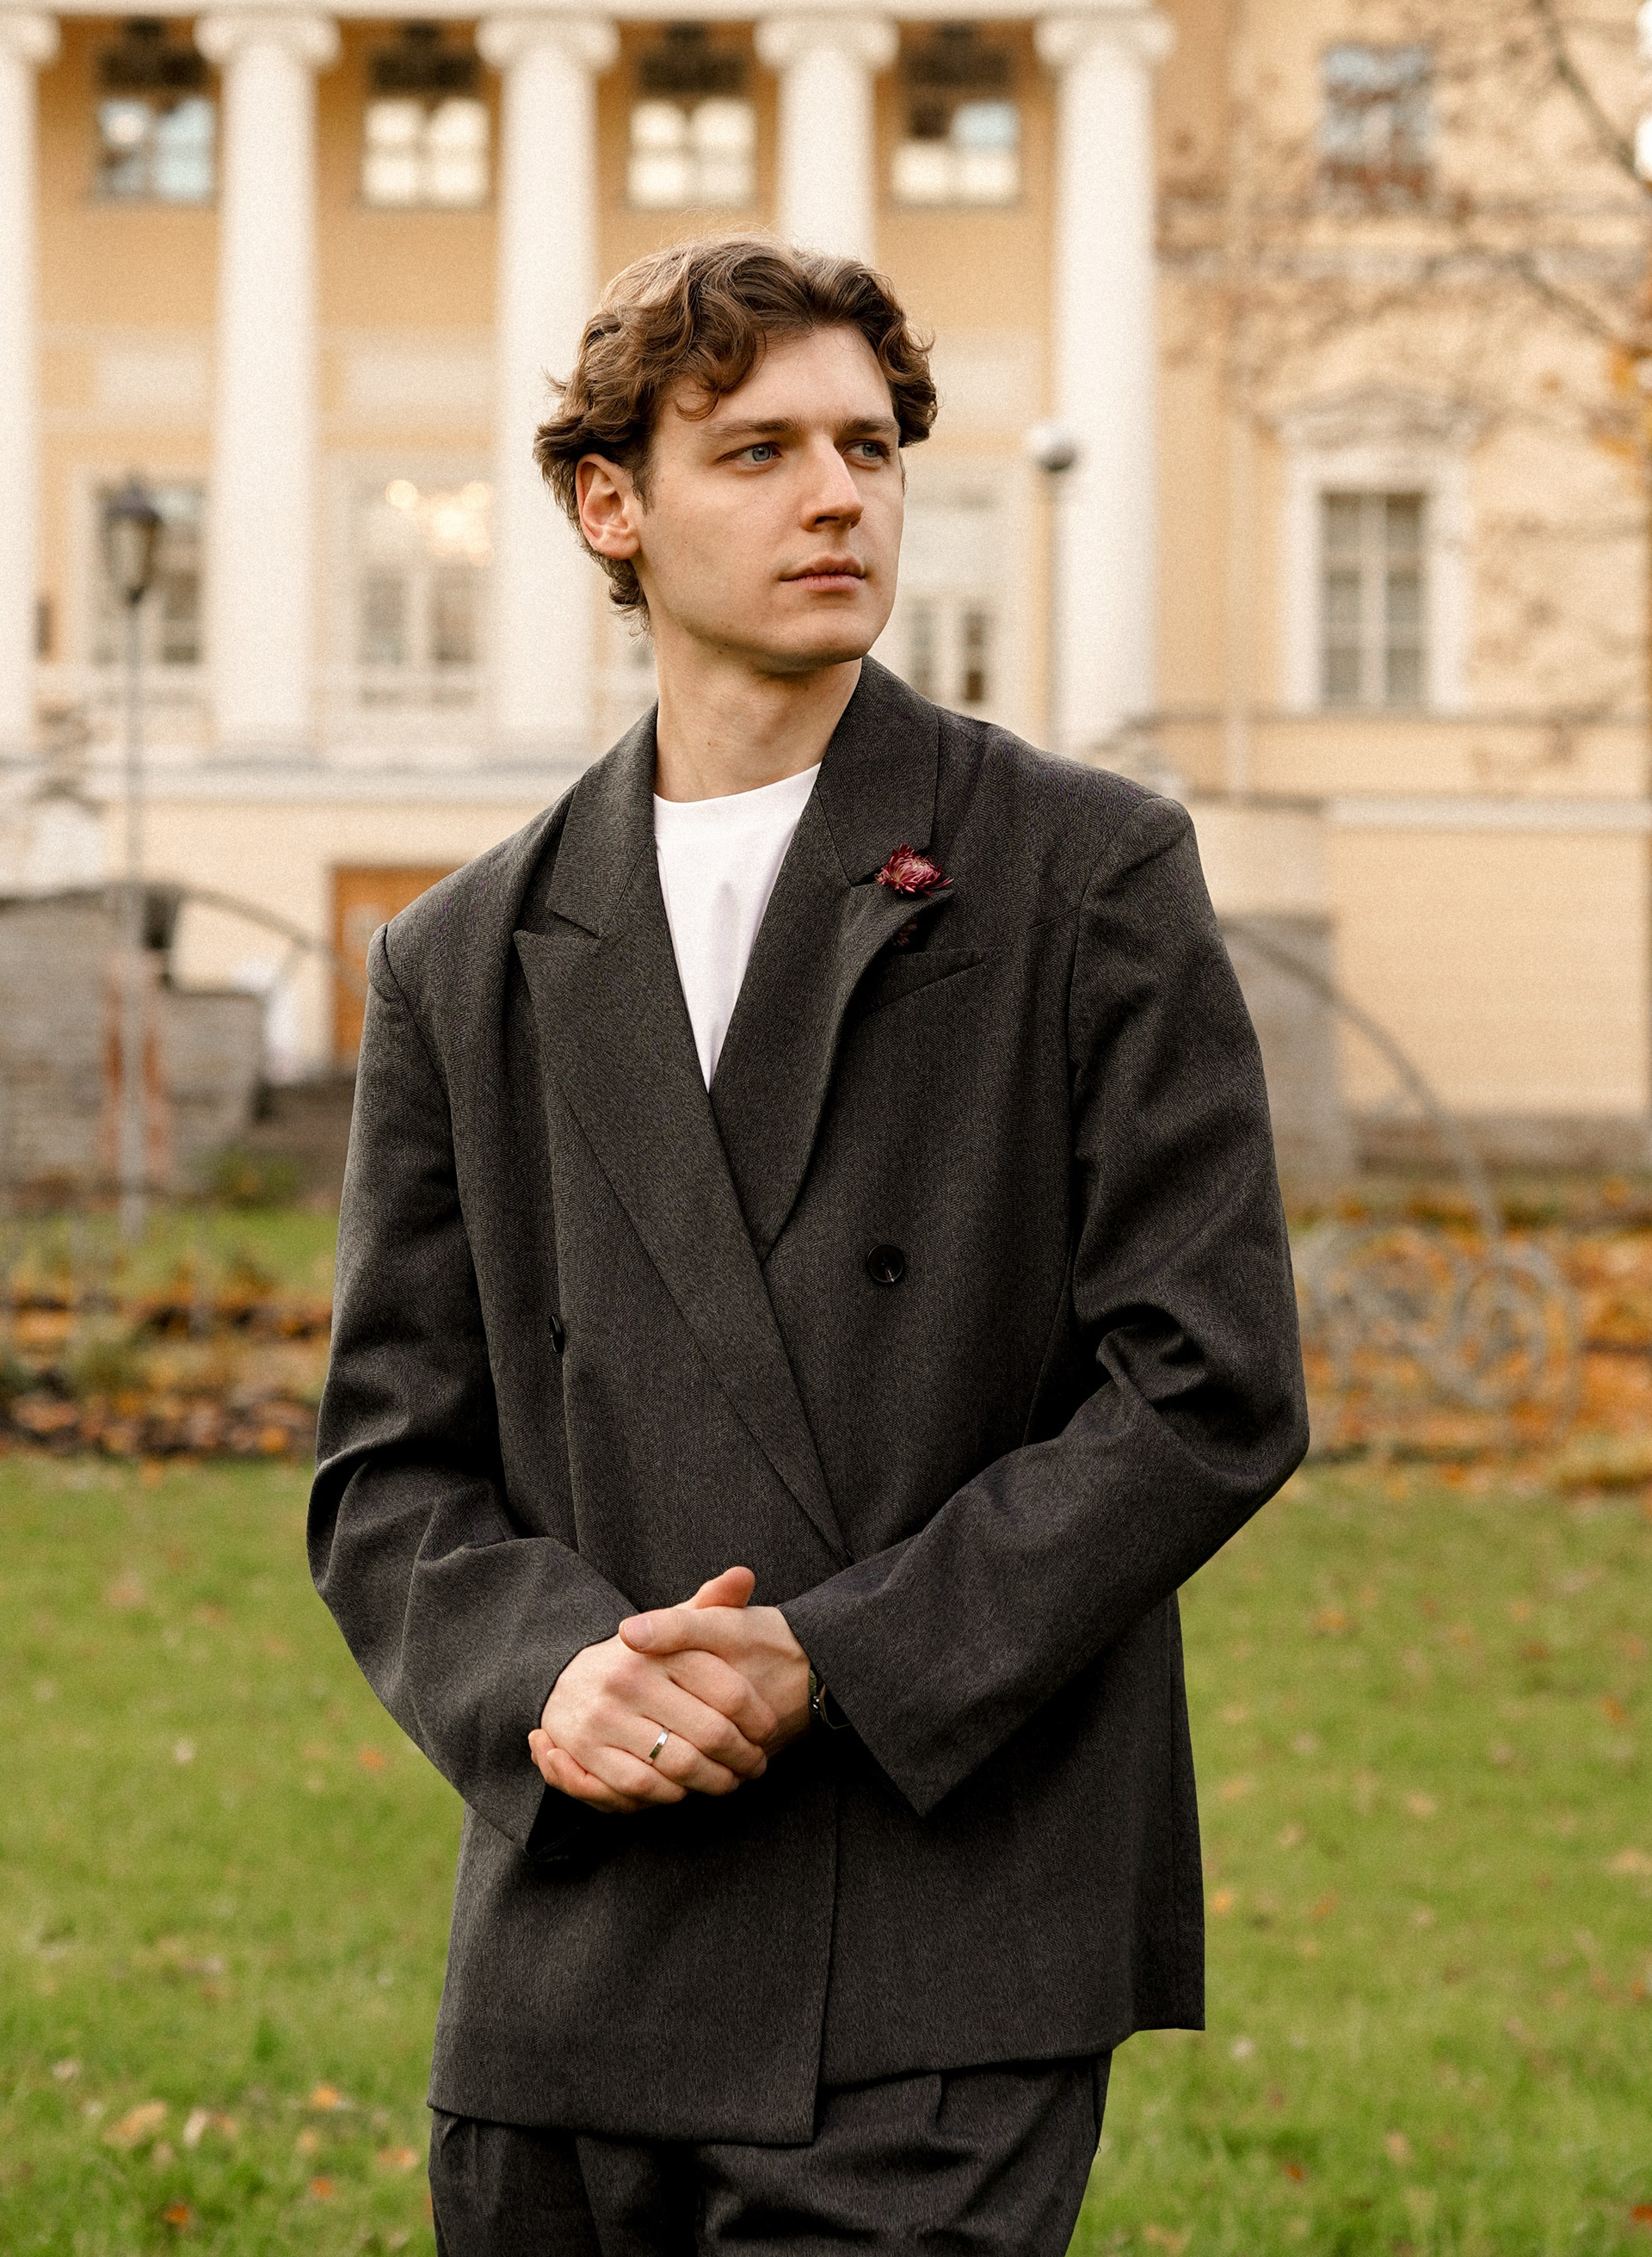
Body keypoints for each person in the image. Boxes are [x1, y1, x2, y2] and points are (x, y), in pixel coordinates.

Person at [309, 232, 1309, 2257]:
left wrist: (835, 1660)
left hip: (948, 1912)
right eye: (758, 450)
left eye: (869, 446)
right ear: (610, 504)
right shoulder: (462, 954)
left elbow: (1207, 1386)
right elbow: (389, 1465)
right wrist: (549, 1675)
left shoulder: (1084, 872)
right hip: (578, 1942)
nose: (838, 495)